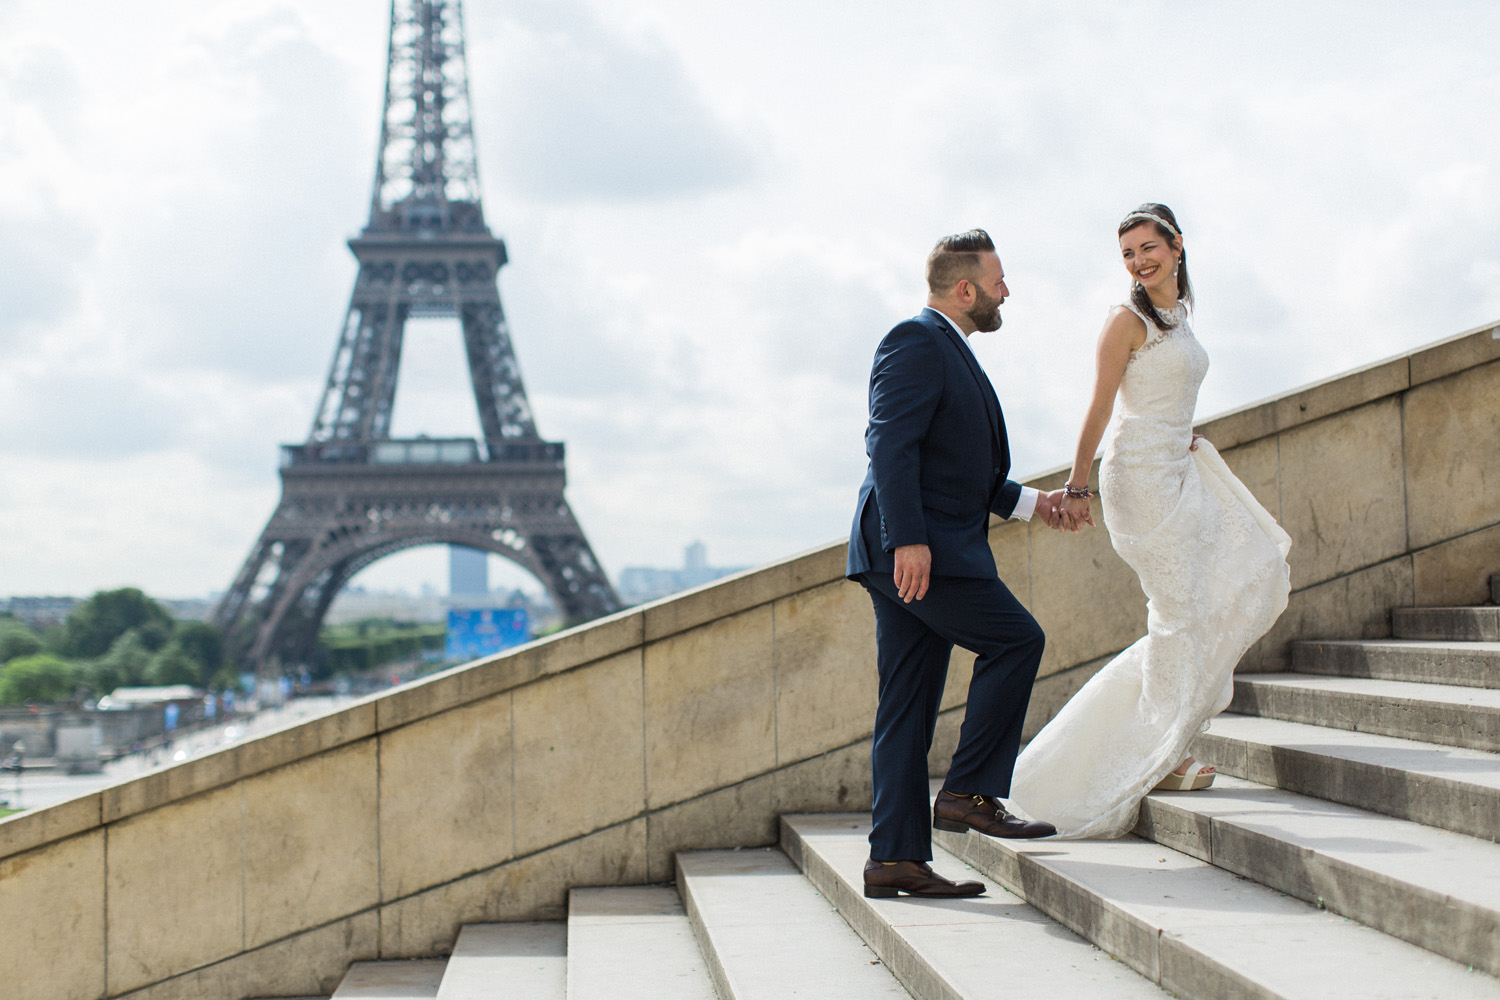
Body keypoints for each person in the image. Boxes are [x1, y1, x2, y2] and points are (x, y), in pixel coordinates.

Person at [1008, 204, 1292, 839]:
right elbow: (1101, 406)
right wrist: (1077, 486)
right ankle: (1162, 750)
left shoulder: (1180, 317)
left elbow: (1171, 391)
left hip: (1178, 465)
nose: (1140, 261)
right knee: (1178, 607)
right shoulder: (1124, 320)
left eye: (1147, 248)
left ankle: (1164, 734)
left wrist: (1182, 434)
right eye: (1129, 254)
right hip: (1137, 478)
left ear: (1177, 245)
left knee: (1221, 588)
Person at [848, 229, 1063, 900]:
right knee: (1016, 639)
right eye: (999, 280)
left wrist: (1033, 504)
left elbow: (959, 466)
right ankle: (970, 789)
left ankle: (896, 860)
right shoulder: (916, 341)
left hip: (915, 549)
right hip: (918, 554)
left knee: (907, 709)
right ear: (965, 288)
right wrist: (908, 538)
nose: (1007, 291)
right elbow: (890, 442)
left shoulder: (948, 349)